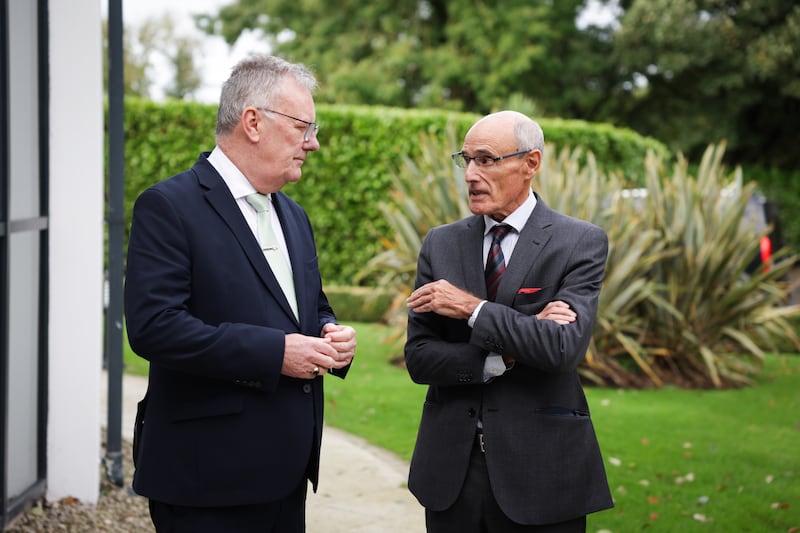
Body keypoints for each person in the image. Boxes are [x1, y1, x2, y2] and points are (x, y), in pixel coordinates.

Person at [124, 55, 356, 533]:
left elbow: (308, 307)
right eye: (304, 126)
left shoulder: (294, 215)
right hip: (206, 479)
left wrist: (330, 335)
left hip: (287, 476)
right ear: (253, 122)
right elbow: (154, 327)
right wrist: (276, 354)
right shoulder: (168, 206)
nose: (312, 143)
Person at [404, 111, 613, 532]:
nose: (470, 174)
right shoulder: (440, 243)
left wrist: (470, 309)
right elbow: (420, 358)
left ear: (531, 163)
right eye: (465, 160)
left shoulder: (579, 242)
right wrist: (516, 345)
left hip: (542, 475)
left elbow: (561, 349)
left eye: (486, 159)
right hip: (451, 477)